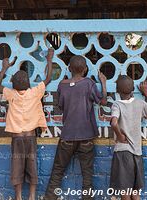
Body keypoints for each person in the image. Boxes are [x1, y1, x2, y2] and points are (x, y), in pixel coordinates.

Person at [44, 55, 107, 200]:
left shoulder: (62, 85)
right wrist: (103, 83)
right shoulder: (89, 84)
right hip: (86, 137)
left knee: (58, 171)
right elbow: (103, 101)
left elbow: (60, 105)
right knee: (87, 174)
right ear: (85, 69)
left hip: (67, 136)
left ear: (69, 69)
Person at [0, 48, 54, 200]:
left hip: (17, 139)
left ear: (14, 85)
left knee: (17, 167)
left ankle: (18, 196)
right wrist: (49, 59)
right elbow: (48, 78)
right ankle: (32, 196)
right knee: (32, 165)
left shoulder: (11, 93)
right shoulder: (35, 92)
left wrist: (4, 68)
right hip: (30, 138)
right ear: (28, 83)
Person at [110, 75, 147, 200]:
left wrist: (120, 135)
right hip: (137, 153)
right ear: (133, 89)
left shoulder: (117, 105)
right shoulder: (140, 103)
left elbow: (113, 122)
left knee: (125, 192)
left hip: (123, 152)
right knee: (135, 193)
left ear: (117, 90)